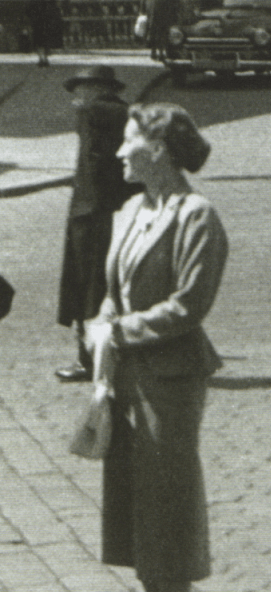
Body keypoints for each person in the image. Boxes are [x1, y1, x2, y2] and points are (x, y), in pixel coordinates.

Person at [85, 102, 228, 592]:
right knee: (137, 517)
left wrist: (121, 331)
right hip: (124, 380)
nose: (119, 152)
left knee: (166, 514)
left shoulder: (198, 217)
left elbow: (191, 306)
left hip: (170, 381)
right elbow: (113, 292)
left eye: (129, 140)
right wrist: (103, 325)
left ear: (160, 149)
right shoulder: (127, 212)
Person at [56, 65, 139, 382]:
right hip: (116, 209)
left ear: (95, 88)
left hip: (89, 213)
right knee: (109, 285)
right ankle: (110, 353)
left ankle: (89, 359)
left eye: (80, 88)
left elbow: (95, 163)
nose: (76, 95)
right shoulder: (126, 112)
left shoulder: (92, 112)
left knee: (85, 287)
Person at [26, 0, 64, 67]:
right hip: (43, 18)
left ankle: (42, 58)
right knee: (43, 39)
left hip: (39, 18)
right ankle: (43, 58)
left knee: (39, 39)